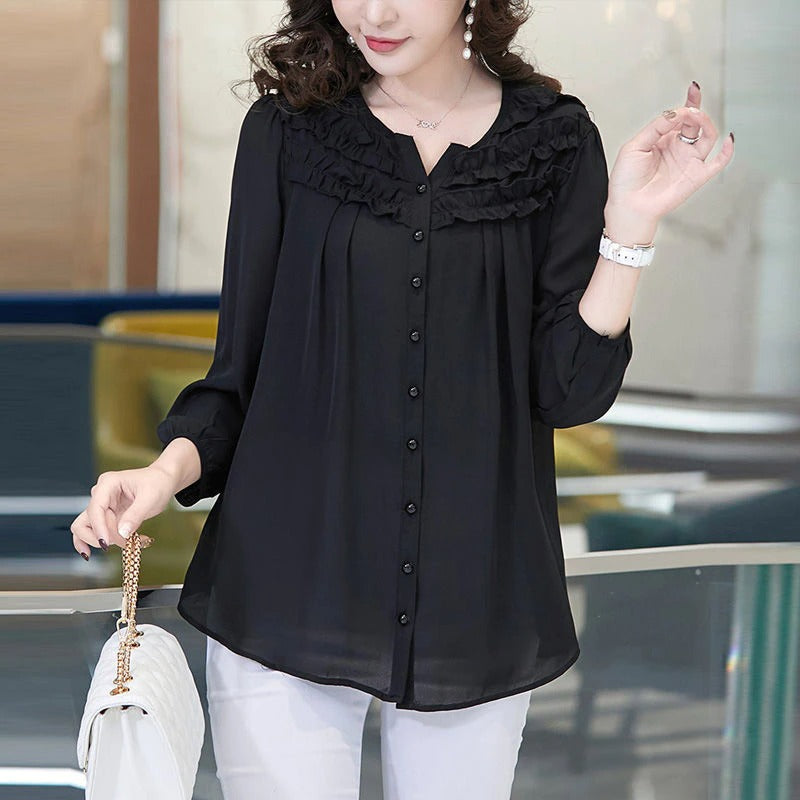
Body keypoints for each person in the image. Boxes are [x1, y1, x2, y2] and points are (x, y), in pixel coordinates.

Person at [70, 1, 734, 797]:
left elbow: (569, 390)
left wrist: (630, 226)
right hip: (286, 582)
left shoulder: (554, 142)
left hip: (473, 601)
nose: (375, 12)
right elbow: (239, 374)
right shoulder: (287, 132)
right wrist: (162, 474)